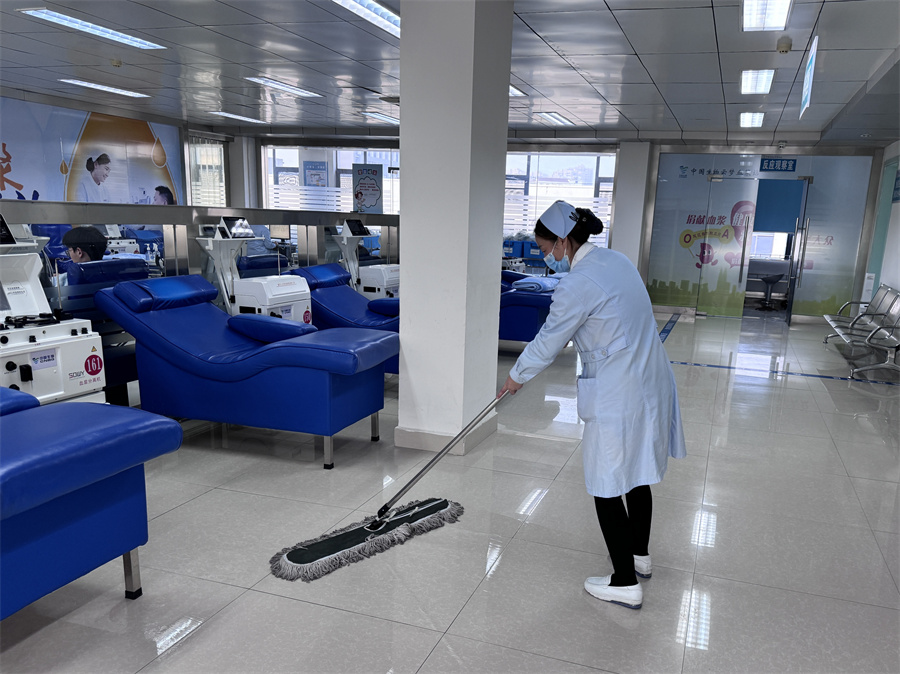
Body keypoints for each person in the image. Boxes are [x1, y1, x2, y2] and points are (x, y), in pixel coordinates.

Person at [499, 200, 686, 610]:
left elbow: (549, 340)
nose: (546, 258)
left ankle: (624, 582)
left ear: (563, 241)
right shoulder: (617, 261)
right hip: (650, 377)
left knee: (606, 482)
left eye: (545, 249)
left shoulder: (577, 283)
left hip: (621, 388)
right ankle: (639, 556)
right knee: (637, 473)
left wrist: (516, 376)